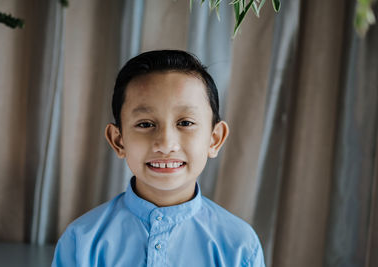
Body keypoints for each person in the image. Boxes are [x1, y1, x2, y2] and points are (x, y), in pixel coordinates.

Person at [51, 50, 265, 267]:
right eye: (145, 124)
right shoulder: (82, 241)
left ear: (214, 139)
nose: (165, 144)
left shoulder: (240, 246)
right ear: (118, 140)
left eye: (185, 123)